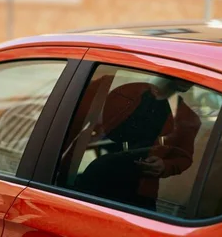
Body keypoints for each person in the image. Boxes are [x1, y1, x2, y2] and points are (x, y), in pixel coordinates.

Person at [76, 77, 201, 211]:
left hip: (140, 187)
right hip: (100, 174)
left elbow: (183, 158)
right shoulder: (126, 92)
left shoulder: (188, 118)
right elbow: (90, 126)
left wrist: (164, 166)